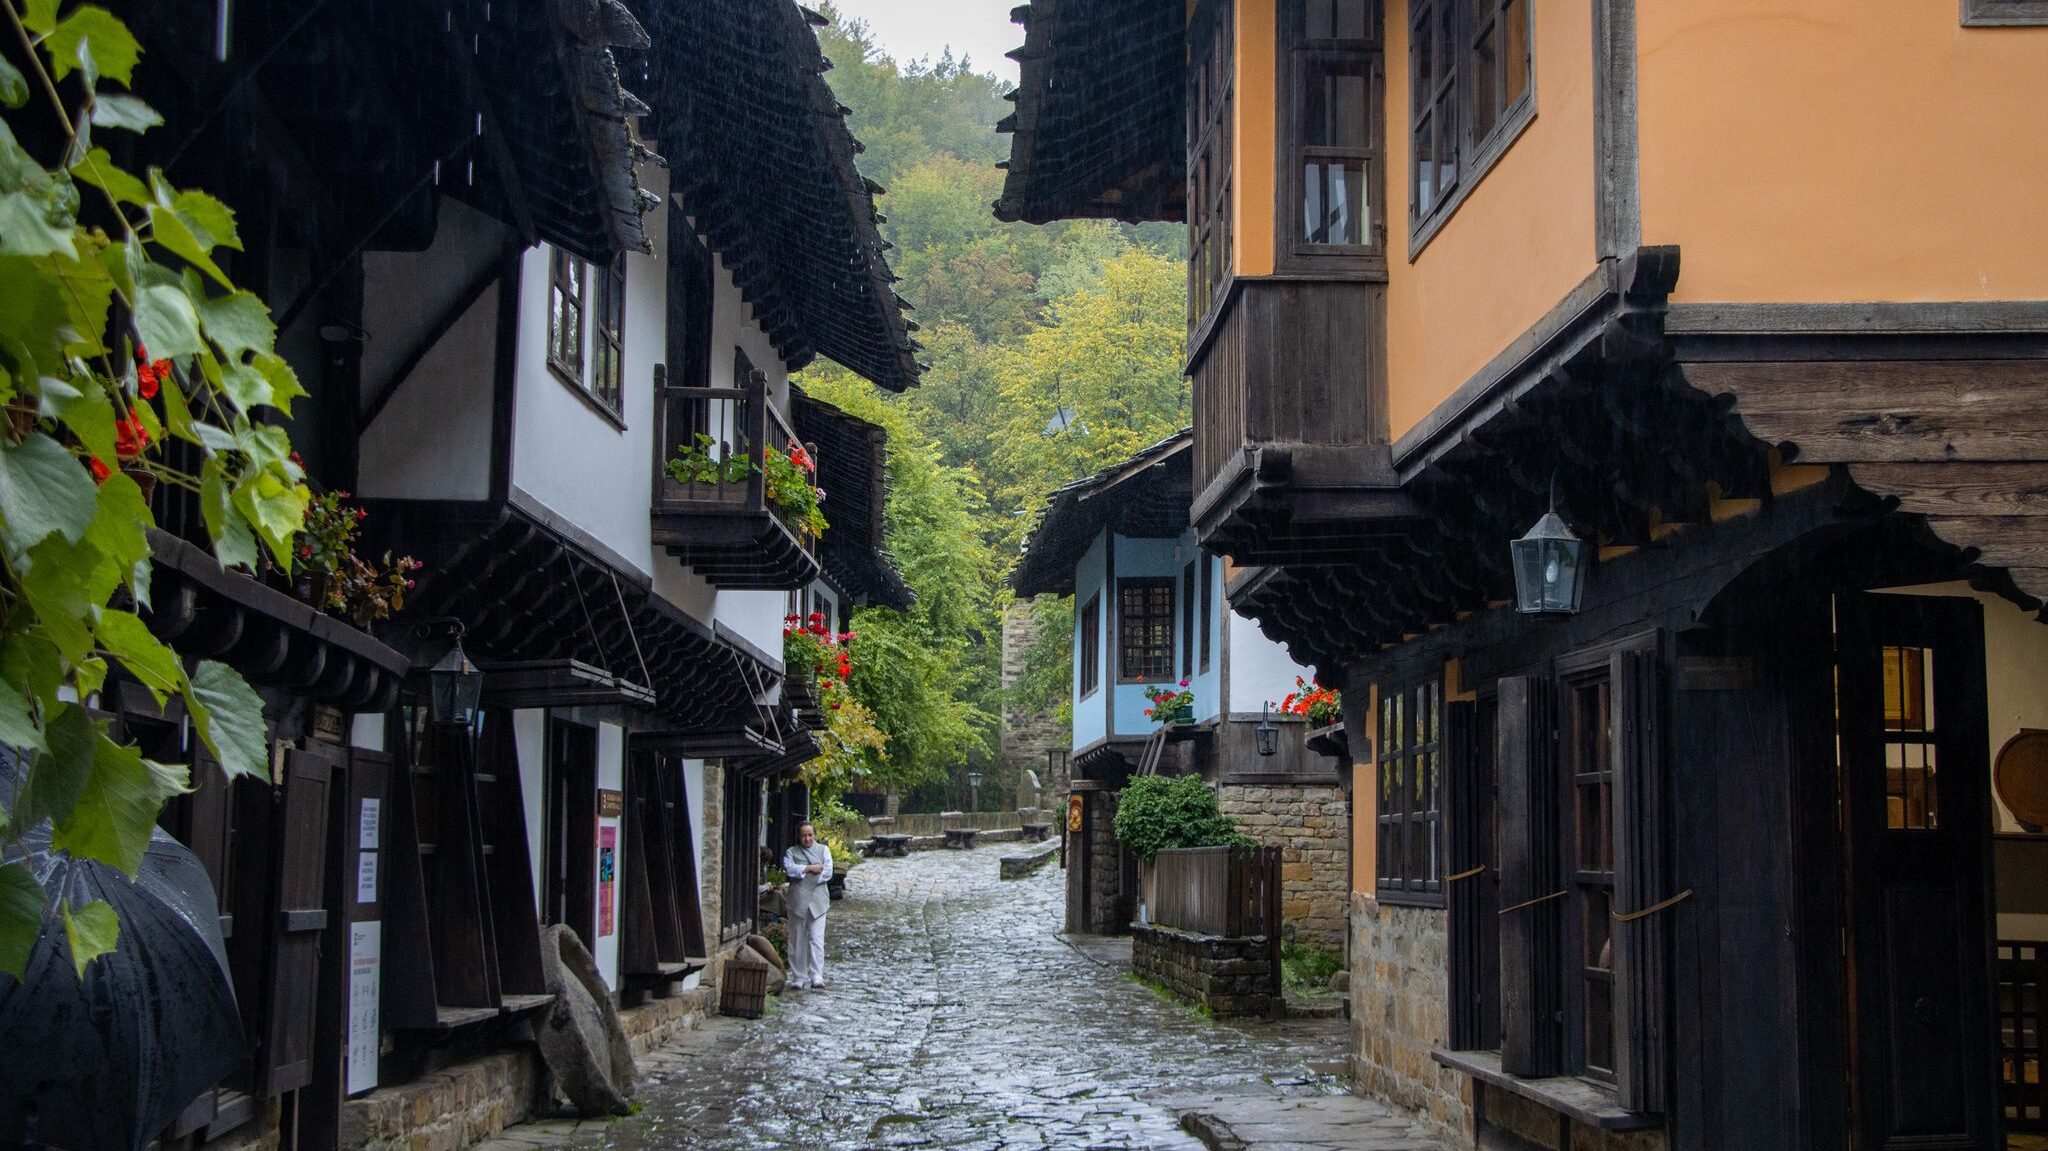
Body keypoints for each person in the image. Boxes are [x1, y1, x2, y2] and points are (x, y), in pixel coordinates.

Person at [781, 822, 833, 990]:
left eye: (810, 835)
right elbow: (790, 869)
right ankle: (798, 976)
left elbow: (827, 872)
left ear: (814, 835)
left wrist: (803, 875)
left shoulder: (823, 850)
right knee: (797, 939)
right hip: (798, 901)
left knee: (816, 939)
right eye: (804, 835)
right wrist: (809, 868)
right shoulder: (791, 852)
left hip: (818, 901)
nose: (807, 838)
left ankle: (816, 975)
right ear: (799, 836)